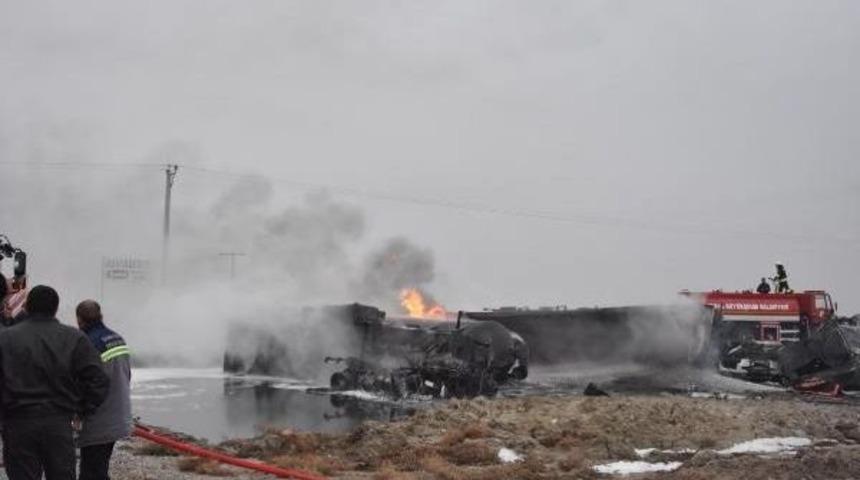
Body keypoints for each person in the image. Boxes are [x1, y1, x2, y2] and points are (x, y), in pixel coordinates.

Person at [0, 285, 110, 480]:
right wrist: (82, 408)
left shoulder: (6, 338)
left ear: (27, 306)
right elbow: (99, 379)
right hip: (58, 424)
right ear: (56, 308)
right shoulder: (75, 338)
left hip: (17, 424)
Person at [75, 300, 132, 480]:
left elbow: (90, 385)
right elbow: (127, 375)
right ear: (101, 316)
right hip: (119, 416)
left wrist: (79, 412)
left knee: (91, 472)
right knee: (98, 468)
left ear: (79, 320)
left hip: (98, 421)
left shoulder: (87, 343)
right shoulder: (117, 338)